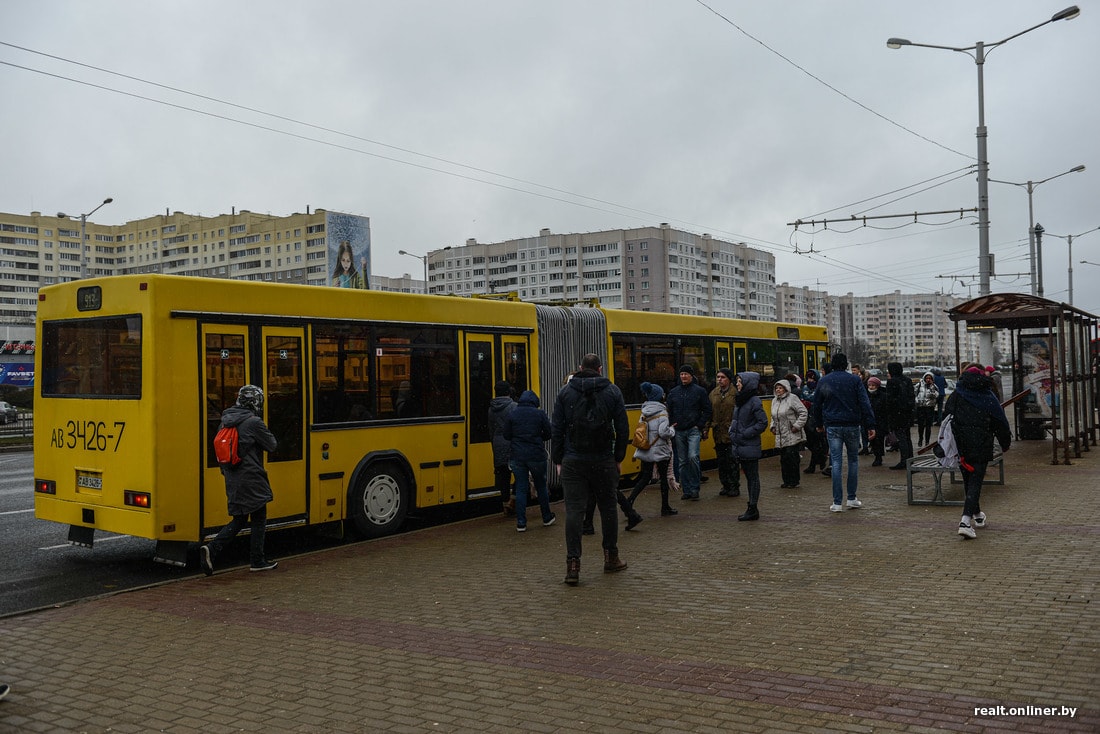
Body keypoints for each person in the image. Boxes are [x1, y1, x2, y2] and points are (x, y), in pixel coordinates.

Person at [551, 353, 630, 585]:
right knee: (608, 509)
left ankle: (573, 565)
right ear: (600, 369)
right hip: (603, 459)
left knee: (574, 511)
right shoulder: (613, 391)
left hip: (573, 461)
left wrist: (558, 460)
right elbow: (622, 427)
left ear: (579, 368)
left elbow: (557, 429)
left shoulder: (565, 392)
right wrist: (618, 457)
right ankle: (611, 557)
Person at [200, 385, 279, 575]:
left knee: (240, 519)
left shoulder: (225, 422)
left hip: (232, 477)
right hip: (251, 477)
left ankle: (212, 549)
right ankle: (257, 561)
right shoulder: (253, 422)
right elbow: (272, 445)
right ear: (256, 403)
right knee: (259, 517)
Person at [947, 366, 1012, 539]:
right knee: (975, 482)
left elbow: (945, 415)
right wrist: (1005, 443)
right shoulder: (987, 395)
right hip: (981, 444)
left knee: (969, 480)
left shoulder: (957, 394)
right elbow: (1000, 421)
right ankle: (965, 522)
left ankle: (977, 515)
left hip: (961, 444)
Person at [812, 353, 876, 513]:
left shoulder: (824, 381)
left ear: (832, 364)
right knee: (853, 460)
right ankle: (852, 498)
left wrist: (819, 424)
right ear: (846, 365)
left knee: (836, 462)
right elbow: (864, 403)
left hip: (833, 425)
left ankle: (837, 502)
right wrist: (870, 424)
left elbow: (817, 405)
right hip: (852, 424)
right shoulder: (854, 380)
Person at [502, 390, 556, 532]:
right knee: (541, 486)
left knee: (520, 488)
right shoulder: (539, 414)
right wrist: (538, 438)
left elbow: (506, 435)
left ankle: (521, 523)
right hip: (536, 455)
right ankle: (546, 517)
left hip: (517, 456)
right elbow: (549, 433)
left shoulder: (512, 414)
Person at [626, 381, 678, 516]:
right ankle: (665, 507)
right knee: (664, 478)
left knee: (645, 477)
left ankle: (630, 500)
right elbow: (663, 432)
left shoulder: (644, 411)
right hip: (660, 450)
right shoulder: (662, 412)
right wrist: (672, 430)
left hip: (646, 449)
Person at [667, 364, 712, 501]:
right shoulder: (674, 392)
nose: (683, 376)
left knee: (693, 456)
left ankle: (695, 488)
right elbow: (669, 410)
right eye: (681, 374)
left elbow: (707, 409)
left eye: (686, 374)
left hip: (693, 429)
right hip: (679, 431)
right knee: (682, 461)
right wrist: (672, 424)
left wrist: (700, 425)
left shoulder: (700, 391)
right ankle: (686, 490)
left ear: (691, 376)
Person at [729, 372, 769, 521]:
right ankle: (752, 507)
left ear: (747, 384)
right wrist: (733, 433)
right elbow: (736, 421)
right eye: (737, 381)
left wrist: (745, 433)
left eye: (740, 382)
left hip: (749, 444)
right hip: (741, 444)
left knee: (753, 477)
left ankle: (753, 507)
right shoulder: (740, 400)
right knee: (750, 477)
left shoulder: (754, 401)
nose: (737, 384)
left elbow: (762, 422)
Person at [707, 368, 740, 497]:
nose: (720, 380)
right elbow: (709, 412)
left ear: (729, 379)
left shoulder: (735, 393)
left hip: (731, 432)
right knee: (721, 461)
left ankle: (734, 486)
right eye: (718, 377)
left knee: (732, 460)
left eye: (723, 377)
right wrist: (706, 428)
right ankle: (725, 485)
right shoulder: (713, 393)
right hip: (718, 432)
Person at [771, 378, 808, 488]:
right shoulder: (774, 401)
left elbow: (803, 412)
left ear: (786, 389)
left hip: (792, 433)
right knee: (784, 459)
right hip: (781, 434)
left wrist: (797, 426)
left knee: (791, 457)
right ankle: (786, 481)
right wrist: (772, 426)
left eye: (780, 388)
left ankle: (794, 481)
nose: (778, 390)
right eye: (776, 388)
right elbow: (773, 416)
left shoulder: (793, 399)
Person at [488, 380, 518, 516]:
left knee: (502, 475)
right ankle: (513, 499)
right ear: (508, 392)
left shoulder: (491, 408)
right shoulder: (514, 406)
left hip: (497, 442)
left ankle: (505, 504)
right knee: (519, 473)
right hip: (512, 442)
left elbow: (491, 429)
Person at [885, 362, 915, 470]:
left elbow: (890, 401)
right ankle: (910, 459)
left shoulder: (892, 382)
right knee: (907, 437)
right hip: (907, 413)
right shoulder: (907, 380)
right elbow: (911, 397)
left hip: (897, 414)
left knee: (901, 437)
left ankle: (904, 461)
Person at [800, 369, 827, 475]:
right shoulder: (805, 388)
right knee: (810, 442)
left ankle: (813, 465)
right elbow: (803, 399)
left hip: (818, 418)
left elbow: (818, 401)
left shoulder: (821, 388)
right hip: (807, 418)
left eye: (812, 378)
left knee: (816, 441)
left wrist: (810, 402)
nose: (810, 380)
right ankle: (821, 458)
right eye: (808, 378)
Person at [866, 376, 888, 467]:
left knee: (878, 439)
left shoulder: (883, 395)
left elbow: (885, 409)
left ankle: (878, 457)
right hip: (871, 420)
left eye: (873, 385)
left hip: (880, 420)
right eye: (869, 385)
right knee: (873, 440)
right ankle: (876, 455)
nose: (871, 387)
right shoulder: (867, 395)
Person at [914, 371, 940, 446]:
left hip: (929, 408)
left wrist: (931, 388)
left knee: (928, 426)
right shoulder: (919, 385)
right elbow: (915, 394)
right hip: (921, 407)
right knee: (921, 425)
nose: (928, 380)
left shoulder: (934, 386)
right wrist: (917, 401)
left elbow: (936, 395)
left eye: (930, 378)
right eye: (927, 378)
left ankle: (927, 441)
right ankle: (920, 439)